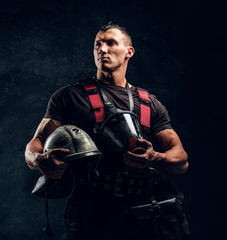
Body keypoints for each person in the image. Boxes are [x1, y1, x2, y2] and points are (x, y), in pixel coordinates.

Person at [25, 22, 190, 240]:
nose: (102, 49)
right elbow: (34, 144)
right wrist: (39, 159)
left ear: (129, 52)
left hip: (141, 214)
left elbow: (181, 160)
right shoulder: (69, 96)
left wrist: (154, 157)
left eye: (111, 43)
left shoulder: (150, 104)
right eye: (98, 44)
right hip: (89, 212)